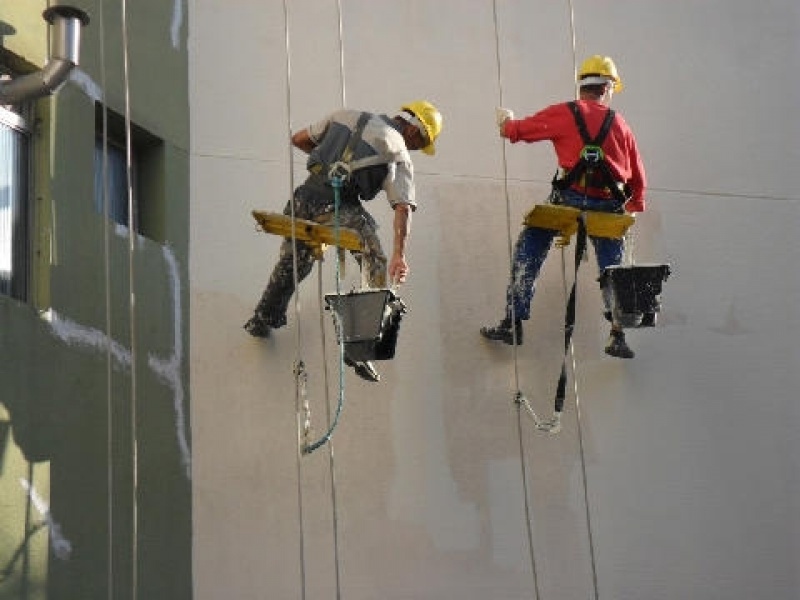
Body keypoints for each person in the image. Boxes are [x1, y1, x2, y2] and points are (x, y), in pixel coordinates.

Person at [245, 100, 443, 381]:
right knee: (372, 254)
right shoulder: (398, 150)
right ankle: (361, 343)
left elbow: (299, 139)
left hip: (302, 199)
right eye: (420, 143)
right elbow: (402, 207)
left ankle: (263, 317)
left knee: (294, 262)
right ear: (415, 131)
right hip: (338, 208)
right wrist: (400, 254)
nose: (415, 149)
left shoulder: (346, 116)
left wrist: (328, 168)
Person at [480, 55, 646, 358]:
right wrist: (632, 207)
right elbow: (637, 177)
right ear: (608, 88)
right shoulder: (621, 125)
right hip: (608, 206)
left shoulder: (565, 113)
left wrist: (504, 121)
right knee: (614, 264)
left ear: (582, 86)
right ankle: (618, 334)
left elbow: (516, 131)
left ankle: (512, 321)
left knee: (530, 247)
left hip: (569, 200)